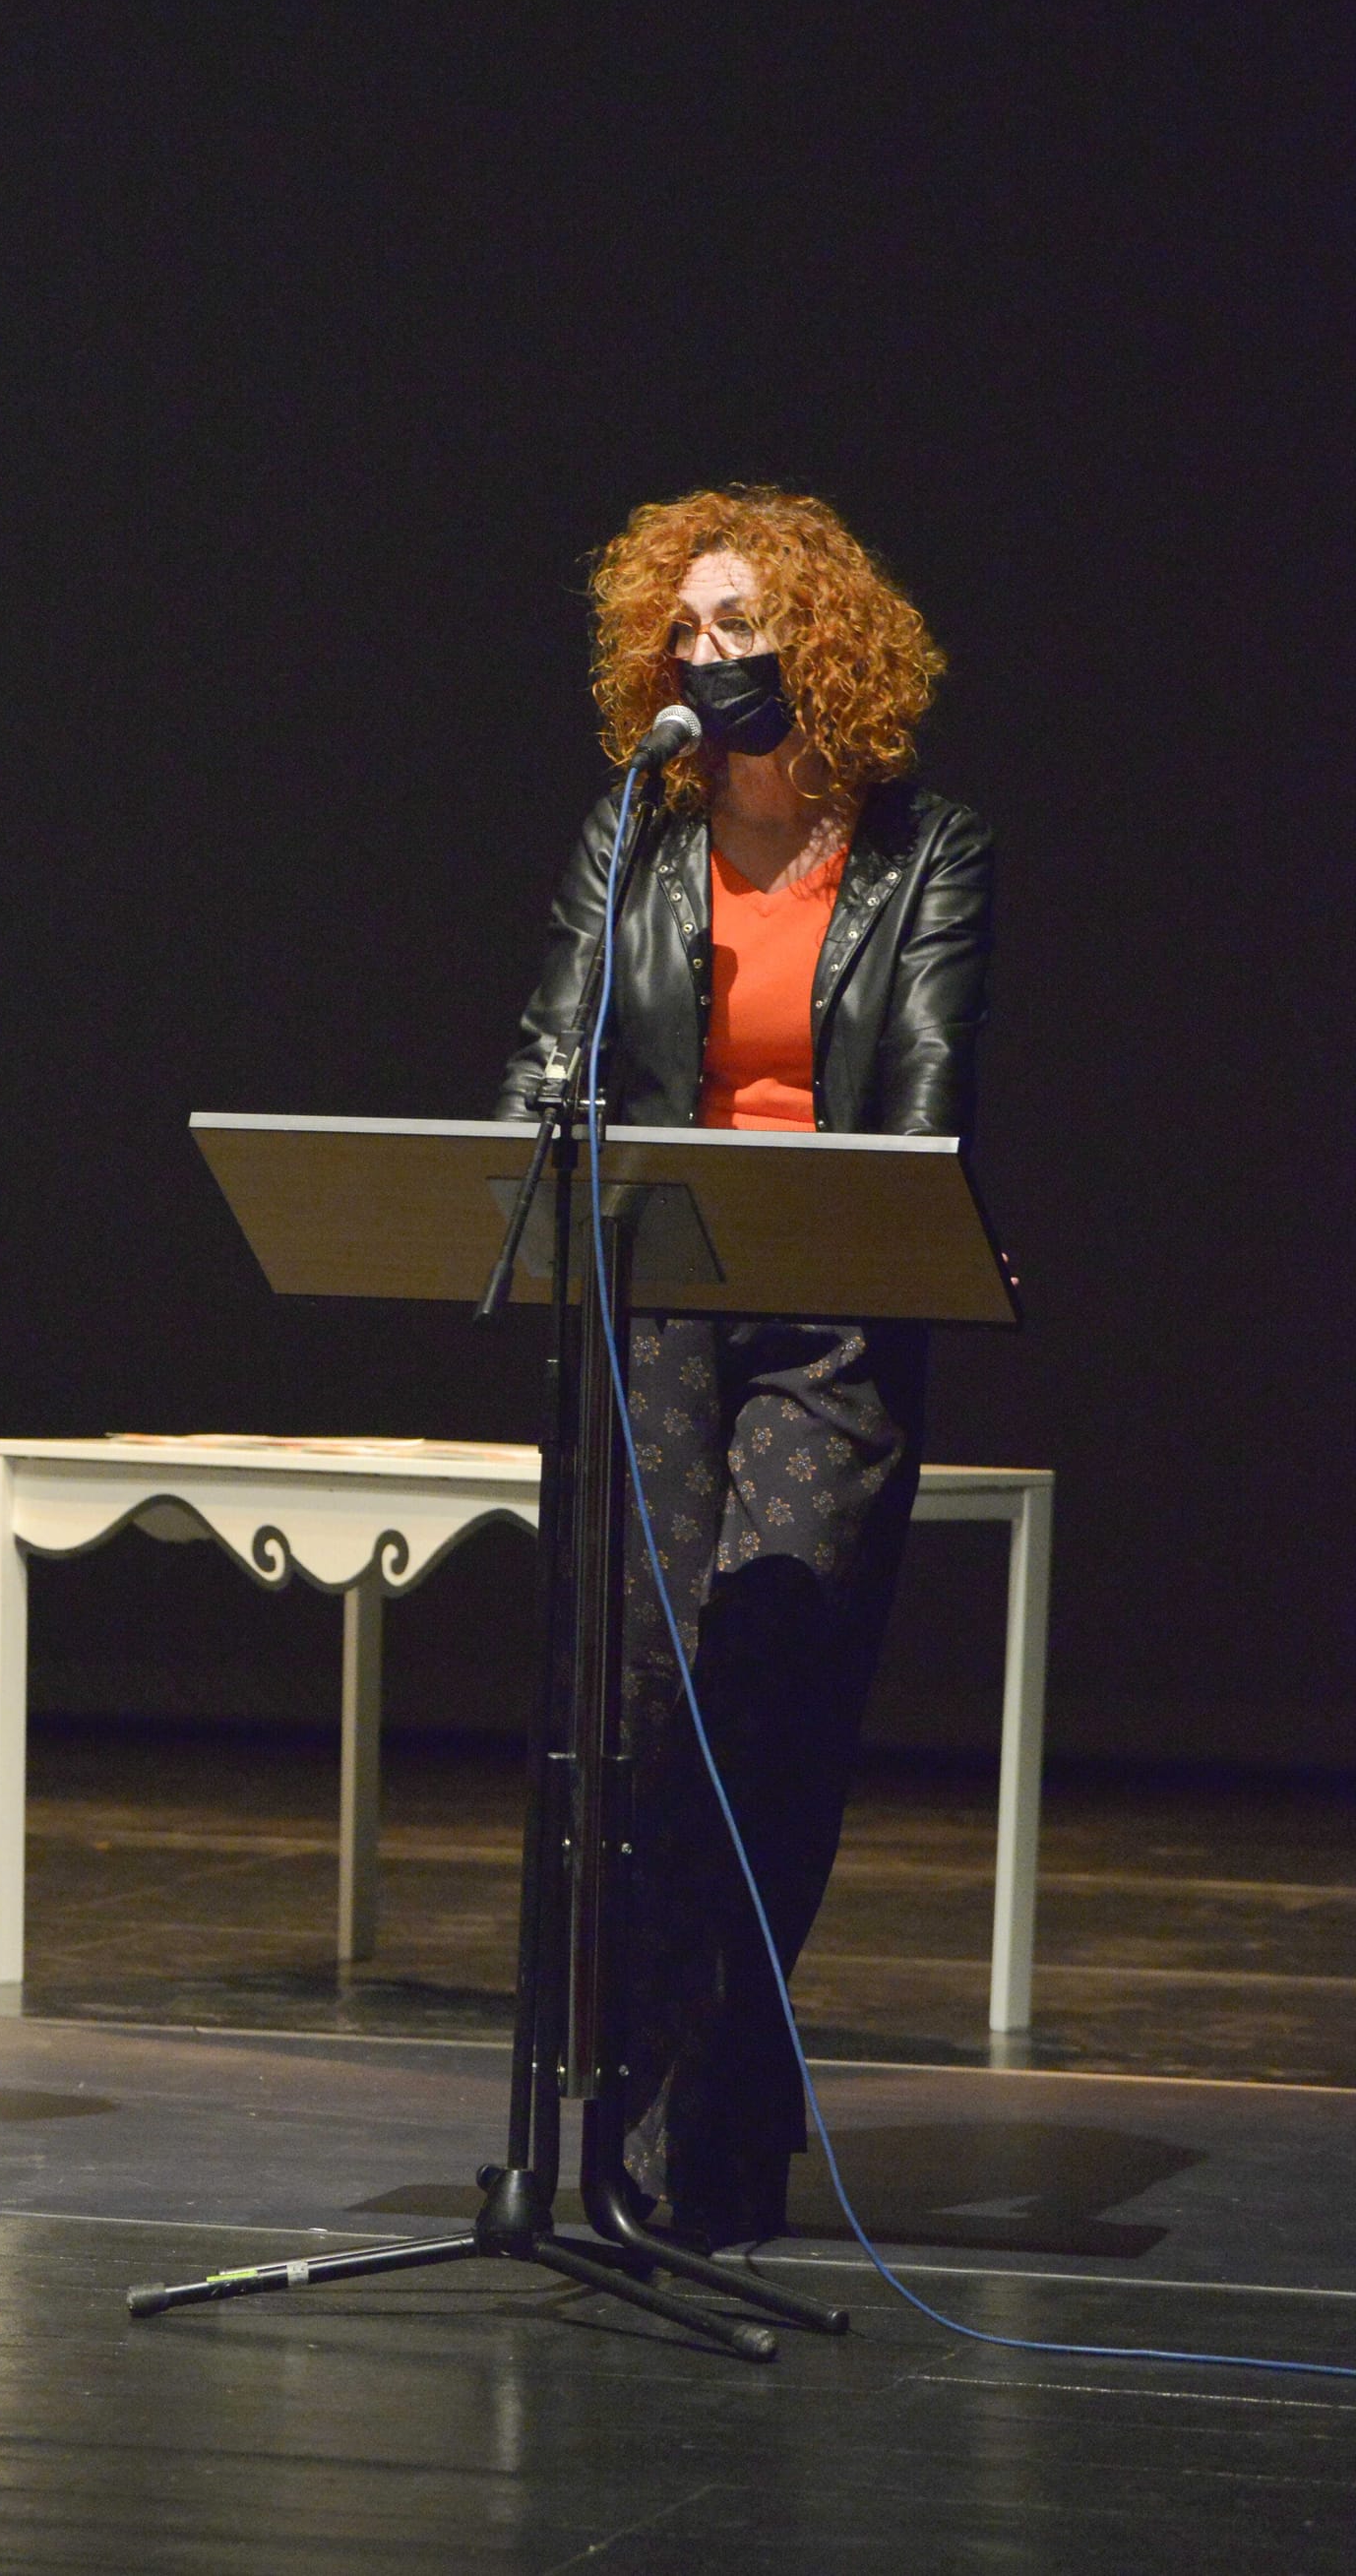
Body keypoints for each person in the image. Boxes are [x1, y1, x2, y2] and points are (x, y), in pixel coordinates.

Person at [497, 484, 992, 2251]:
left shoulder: (925, 852)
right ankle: (637, 2109)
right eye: (686, 629)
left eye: (742, 626)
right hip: (661, 1309)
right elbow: (545, 1058)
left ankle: (729, 2106)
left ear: (821, 646)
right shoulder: (634, 833)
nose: (709, 655)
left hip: (836, 1315)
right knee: (639, 1714)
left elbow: (922, 1102)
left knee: (767, 1697)